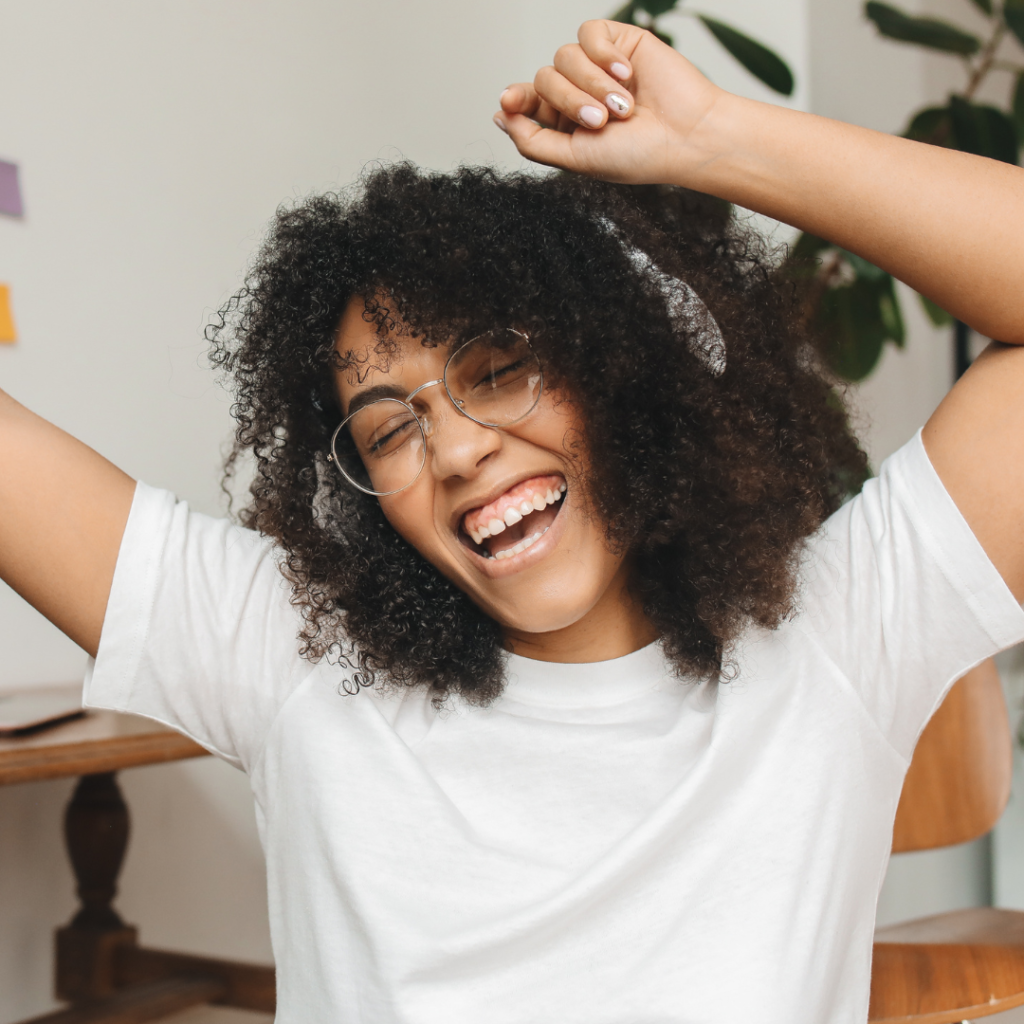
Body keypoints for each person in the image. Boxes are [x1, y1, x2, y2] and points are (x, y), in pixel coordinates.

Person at [2, 18, 1024, 1023]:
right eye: (389, 429)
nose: (454, 452)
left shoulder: (836, 639)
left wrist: (711, 138)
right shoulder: (294, 658)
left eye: (497, 371)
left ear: (617, 368)